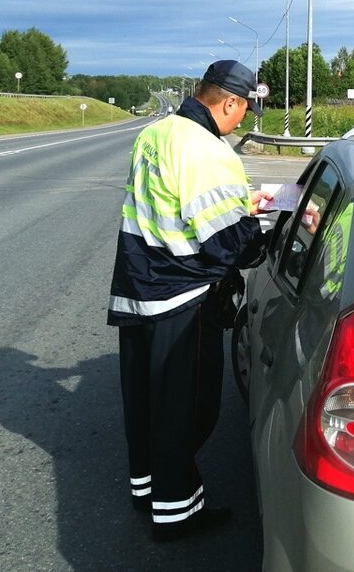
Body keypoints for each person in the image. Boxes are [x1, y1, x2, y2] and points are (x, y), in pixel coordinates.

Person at [108, 59, 269, 542]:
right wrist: (266, 232)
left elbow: (177, 204)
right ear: (229, 102)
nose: (244, 121)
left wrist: (244, 204)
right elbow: (229, 244)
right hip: (183, 297)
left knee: (145, 401)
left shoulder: (157, 134)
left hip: (140, 286)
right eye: (245, 111)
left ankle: (147, 489)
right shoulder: (209, 150)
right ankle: (177, 513)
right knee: (188, 409)